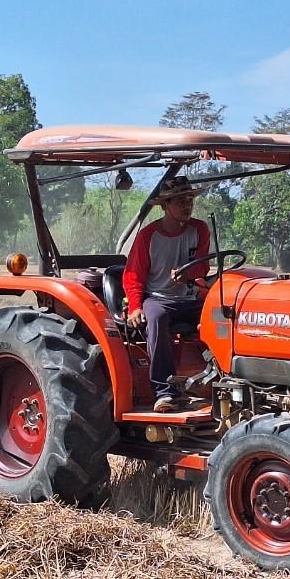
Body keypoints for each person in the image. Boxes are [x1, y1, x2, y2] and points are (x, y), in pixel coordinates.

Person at [122, 175, 210, 412]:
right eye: (179, 201)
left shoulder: (200, 229)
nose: (186, 205)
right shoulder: (148, 236)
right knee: (157, 317)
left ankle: (218, 382)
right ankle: (164, 391)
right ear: (165, 206)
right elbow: (133, 276)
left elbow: (204, 266)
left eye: (189, 199)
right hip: (159, 299)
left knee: (223, 313)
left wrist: (190, 273)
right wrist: (135, 307)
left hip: (191, 297)